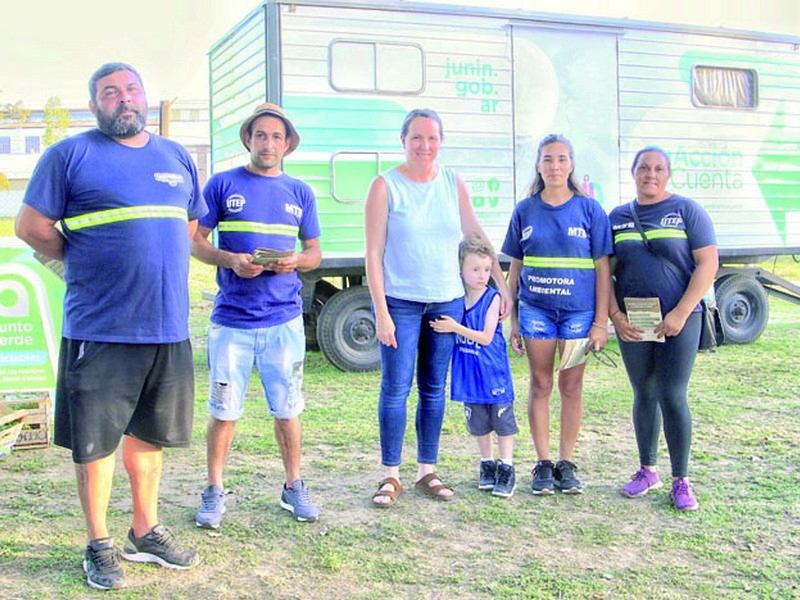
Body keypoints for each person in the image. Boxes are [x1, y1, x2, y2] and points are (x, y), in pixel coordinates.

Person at [14, 63, 205, 590]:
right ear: (95, 104)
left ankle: (145, 530)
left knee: (149, 436)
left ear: (145, 96)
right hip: (100, 327)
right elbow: (30, 226)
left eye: (132, 89)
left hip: (166, 327)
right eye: (110, 93)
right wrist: (79, 261)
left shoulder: (175, 156)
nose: (124, 99)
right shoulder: (69, 156)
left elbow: (188, 225)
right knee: (96, 444)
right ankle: (100, 544)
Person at [365, 108, 510, 507]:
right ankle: (390, 475)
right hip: (401, 302)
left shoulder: (452, 182)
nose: (424, 146)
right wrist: (381, 311)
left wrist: (501, 281)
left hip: (446, 300)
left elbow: (474, 233)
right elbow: (373, 253)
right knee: (396, 389)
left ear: (441, 142)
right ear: (403, 140)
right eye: (416, 137)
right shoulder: (385, 186)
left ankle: (426, 470)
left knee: (433, 390)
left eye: (432, 138)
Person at [192, 103, 322, 527]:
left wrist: (295, 262)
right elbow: (195, 241)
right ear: (248, 139)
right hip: (232, 322)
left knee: (288, 409)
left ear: (287, 144)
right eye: (261, 135)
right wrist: (230, 260)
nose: (268, 144)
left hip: (283, 321)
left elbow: (315, 253)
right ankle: (214, 489)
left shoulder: (300, 192)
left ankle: (293, 486)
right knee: (224, 411)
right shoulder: (221, 184)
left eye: (277, 137)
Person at [502, 134, 612, 496]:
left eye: (562, 159)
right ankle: (543, 463)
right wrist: (514, 317)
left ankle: (566, 463)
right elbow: (515, 269)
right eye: (548, 159)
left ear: (572, 164)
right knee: (541, 384)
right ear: (538, 164)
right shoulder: (525, 210)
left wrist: (600, 322)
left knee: (571, 386)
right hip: (536, 313)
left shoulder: (590, 210)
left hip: (579, 316)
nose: (555, 166)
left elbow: (602, 270)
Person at [609, 146, 717, 512]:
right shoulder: (618, 217)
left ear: (667, 174)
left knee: (672, 394)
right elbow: (603, 272)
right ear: (633, 172)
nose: (650, 174)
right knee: (644, 392)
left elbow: (707, 264)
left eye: (658, 169)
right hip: (635, 318)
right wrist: (614, 315)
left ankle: (681, 481)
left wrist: (681, 312)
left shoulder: (687, 210)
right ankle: (647, 471)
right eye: (643, 168)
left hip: (679, 318)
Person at [430, 234, 518, 498]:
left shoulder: (492, 298)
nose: (482, 275)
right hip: (469, 373)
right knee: (478, 423)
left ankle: (507, 467)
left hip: (493, 372)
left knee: (502, 422)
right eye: (475, 269)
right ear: (461, 269)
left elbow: (486, 337)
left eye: (487, 270)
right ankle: (486, 464)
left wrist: (455, 327)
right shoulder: (455, 297)